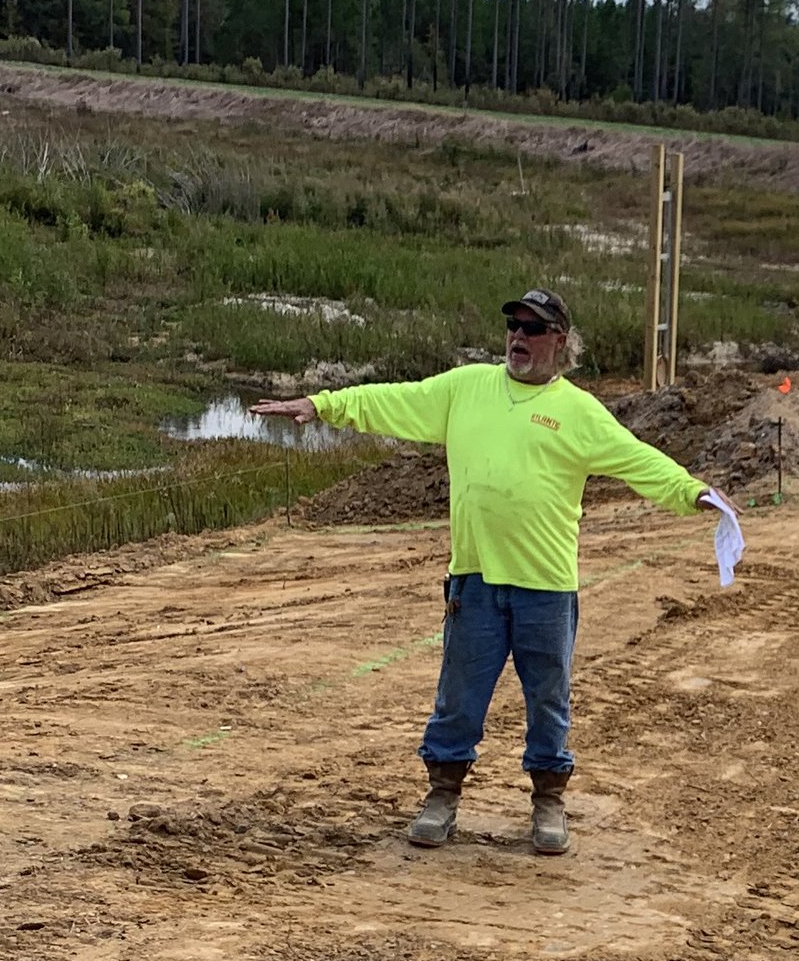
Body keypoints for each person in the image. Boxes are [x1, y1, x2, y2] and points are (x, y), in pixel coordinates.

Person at [251, 288, 715, 856]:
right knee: (459, 695)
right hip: (473, 581)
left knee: (549, 698)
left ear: (560, 342)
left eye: (534, 328)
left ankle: (548, 800)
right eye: (514, 327)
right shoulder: (466, 388)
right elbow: (392, 401)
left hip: (546, 586)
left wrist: (693, 492)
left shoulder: (580, 412)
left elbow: (640, 460)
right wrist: (322, 406)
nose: (519, 337)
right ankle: (442, 795)